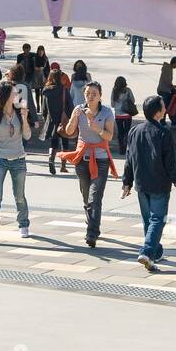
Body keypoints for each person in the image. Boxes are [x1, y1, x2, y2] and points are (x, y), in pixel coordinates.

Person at [121, 95, 176, 273]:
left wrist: (127, 181)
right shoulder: (164, 132)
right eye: (163, 106)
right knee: (157, 219)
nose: (165, 108)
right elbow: (170, 162)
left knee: (148, 220)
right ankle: (147, 251)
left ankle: (155, 251)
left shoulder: (135, 130)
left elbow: (129, 158)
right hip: (159, 183)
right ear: (158, 112)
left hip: (141, 183)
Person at [63, 81, 116, 247]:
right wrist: (73, 118)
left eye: (94, 93)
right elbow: (69, 132)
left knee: (95, 198)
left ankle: (92, 233)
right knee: (86, 198)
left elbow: (109, 136)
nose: (90, 96)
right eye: (88, 93)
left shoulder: (107, 112)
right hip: (82, 159)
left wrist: (97, 128)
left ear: (100, 95)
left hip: (100, 159)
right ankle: (93, 224)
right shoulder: (78, 109)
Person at [0, 82, 31, 246]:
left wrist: (24, 118)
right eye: (14, 93)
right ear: (6, 96)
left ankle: (23, 224)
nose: (17, 95)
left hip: (18, 159)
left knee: (19, 196)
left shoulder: (19, 112)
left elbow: (27, 135)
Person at [42, 68, 74, 175]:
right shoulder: (64, 90)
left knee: (53, 143)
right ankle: (63, 166)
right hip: (63, 121)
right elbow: (70, 106)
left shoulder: (46, 91)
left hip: (52, 121)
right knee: (65, 143)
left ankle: (51, 159)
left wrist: (46, 118)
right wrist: (71, 119)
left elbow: (44, 109)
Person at [111, 75, 138, 153]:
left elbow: (112, 104)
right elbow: (133, 100)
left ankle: (121, 149)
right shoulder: (128, 90)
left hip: (118, 114)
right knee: (127, 131)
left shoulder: (114, 91)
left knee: (120, 132)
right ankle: (127, 147)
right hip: (127, 114)